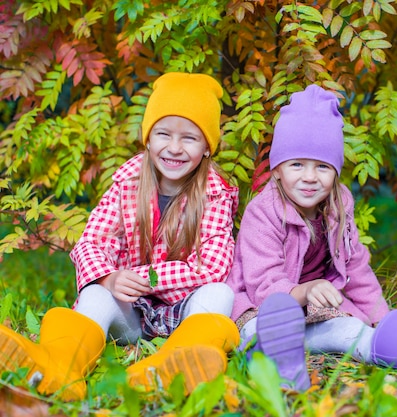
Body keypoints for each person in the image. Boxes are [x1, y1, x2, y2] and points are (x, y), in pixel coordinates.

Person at [227, 84, 397, 391]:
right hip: (261, 313)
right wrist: (305, 291)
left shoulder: (338, 205)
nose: (309, 177)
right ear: (277, 170)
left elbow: (356, 267)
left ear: (336, 173)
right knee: (265, 327)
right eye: (296, 165)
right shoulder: (262, 211)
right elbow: (263, 285)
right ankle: (275, 365)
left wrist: (379, 318)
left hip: (316, 315)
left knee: (353, 333)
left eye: (322, 166)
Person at [0, 72, 240, 401]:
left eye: (189, 138)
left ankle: (177, 360)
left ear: (208, 147)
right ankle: (59, 365)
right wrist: (111, 279)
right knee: (97, 295)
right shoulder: (127, 183)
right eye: (163, 133)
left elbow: (210, 266)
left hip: (183, 313)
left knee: (219, 293)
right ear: (147, 138)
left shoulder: (215, 193)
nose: (174, 147)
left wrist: (143, 276)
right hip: (132, 313)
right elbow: (91, 243)